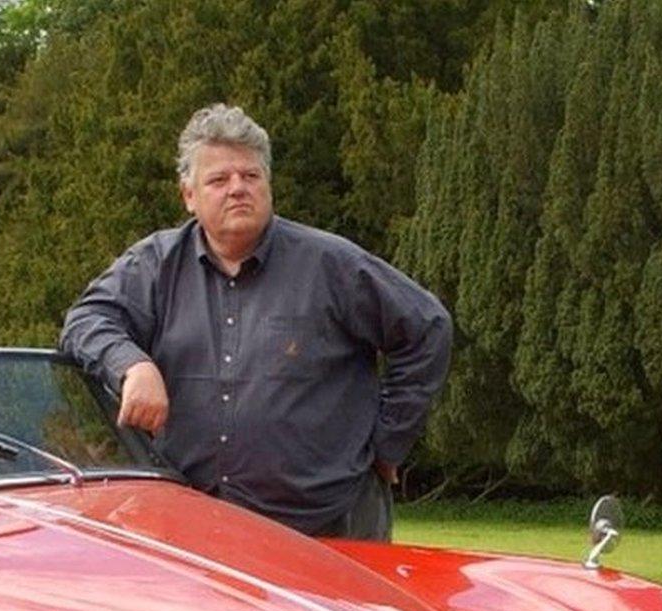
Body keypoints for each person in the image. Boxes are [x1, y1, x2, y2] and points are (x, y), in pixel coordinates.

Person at [60, 103, 451, 540]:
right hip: (199, 533)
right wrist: (132, 364)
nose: (238, 189)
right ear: (188, 195)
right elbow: (85, 319)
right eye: (219, 179)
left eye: (250, 176)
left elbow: (427, 328)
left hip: (326, 527)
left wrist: (387, 443)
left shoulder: (331, 265)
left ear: (269, 184)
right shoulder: (154, 267)